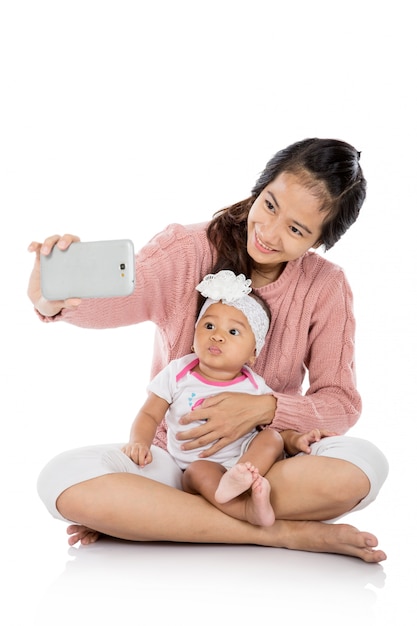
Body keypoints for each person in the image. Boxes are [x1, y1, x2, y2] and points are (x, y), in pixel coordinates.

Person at [29, 137, 389, 562]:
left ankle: (160, 518)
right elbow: (118, 300)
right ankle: (281, 534)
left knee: (365, 466)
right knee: (60, 479)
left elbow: (340, 402)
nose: (270, 233)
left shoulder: (325, 286)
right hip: (170, 463)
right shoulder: (188, 249)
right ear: (261, 185)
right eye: (270, 204)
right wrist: (52, 299)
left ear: (320, 240)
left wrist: (264, 409)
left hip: (256, 467)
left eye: (296, 229)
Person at [122, 269, 329, 527]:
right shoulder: (178, 373)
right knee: (198, 472)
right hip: (198, 464)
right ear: (194, 336)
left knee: (271, 438)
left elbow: (273, 424)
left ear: (253, 353)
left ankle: (241, 477)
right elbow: (150, 414)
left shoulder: (254, 385)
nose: (217, 335)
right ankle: (245, 510)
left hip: (243, 459)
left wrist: (295, 439)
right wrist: (139, 443)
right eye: (209, 326)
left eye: (233, 332)